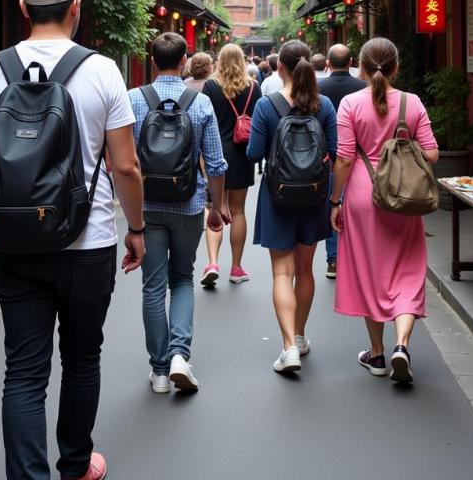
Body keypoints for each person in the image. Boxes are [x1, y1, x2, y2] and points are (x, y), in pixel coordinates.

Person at [0, 0, 145, 480]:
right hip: (90, 240)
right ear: (76, 7)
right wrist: (138, 230)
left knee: (24, 372)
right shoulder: (102, 70)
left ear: (22, 9)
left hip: (16, 242)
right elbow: (125, 166)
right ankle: (76, 465)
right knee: (82, 359)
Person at [329, 37, 439, 385]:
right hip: (404, 194)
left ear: (361, 67)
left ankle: (376, 354)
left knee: (370, 271)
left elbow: (345, 158)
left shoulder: (349, 103)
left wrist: (336, 201)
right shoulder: (412, 102)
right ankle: (402, 345)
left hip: (364, 193)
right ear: (396, 67)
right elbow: (433, 154)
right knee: (407, 269)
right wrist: (403, 147)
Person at [129, 34, 229, 393]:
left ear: (153, 60)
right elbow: (216, 164)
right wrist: (216, 209)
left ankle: (158, 371)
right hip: (188, 205)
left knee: (152, 287)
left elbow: (124, 164)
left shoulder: (133, 100)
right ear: (184, 60)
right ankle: (178, 356)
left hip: (147, 207)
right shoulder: (200, 104)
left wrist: (130, 219)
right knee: (182, 279)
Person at [246, 40, 337, 373]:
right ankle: (299, 336)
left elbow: (254, 154)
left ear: (279, 67)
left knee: (281, 272)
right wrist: (333, 198)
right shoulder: (323, 105)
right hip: (314, 197)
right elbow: (336, 152)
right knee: (304, 271)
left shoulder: (266, 106)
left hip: (278, 197)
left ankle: (287, 348)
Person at [200, 43, 262, 285]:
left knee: (215, 208)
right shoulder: (253, 87)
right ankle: (236, 268)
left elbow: (205, 120)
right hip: (241, 152)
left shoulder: (211, 86)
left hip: (216, 153)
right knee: (237, 211)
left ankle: (213, 262)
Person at [318, 44, 366, 280]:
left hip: (328, 159)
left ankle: (334, 259)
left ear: (328, 63)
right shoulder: (364, 87)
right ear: (351, 63)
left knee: (333, 207)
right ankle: (359, 260)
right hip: (361, 159)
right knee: (359, 211)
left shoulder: (319, 88)